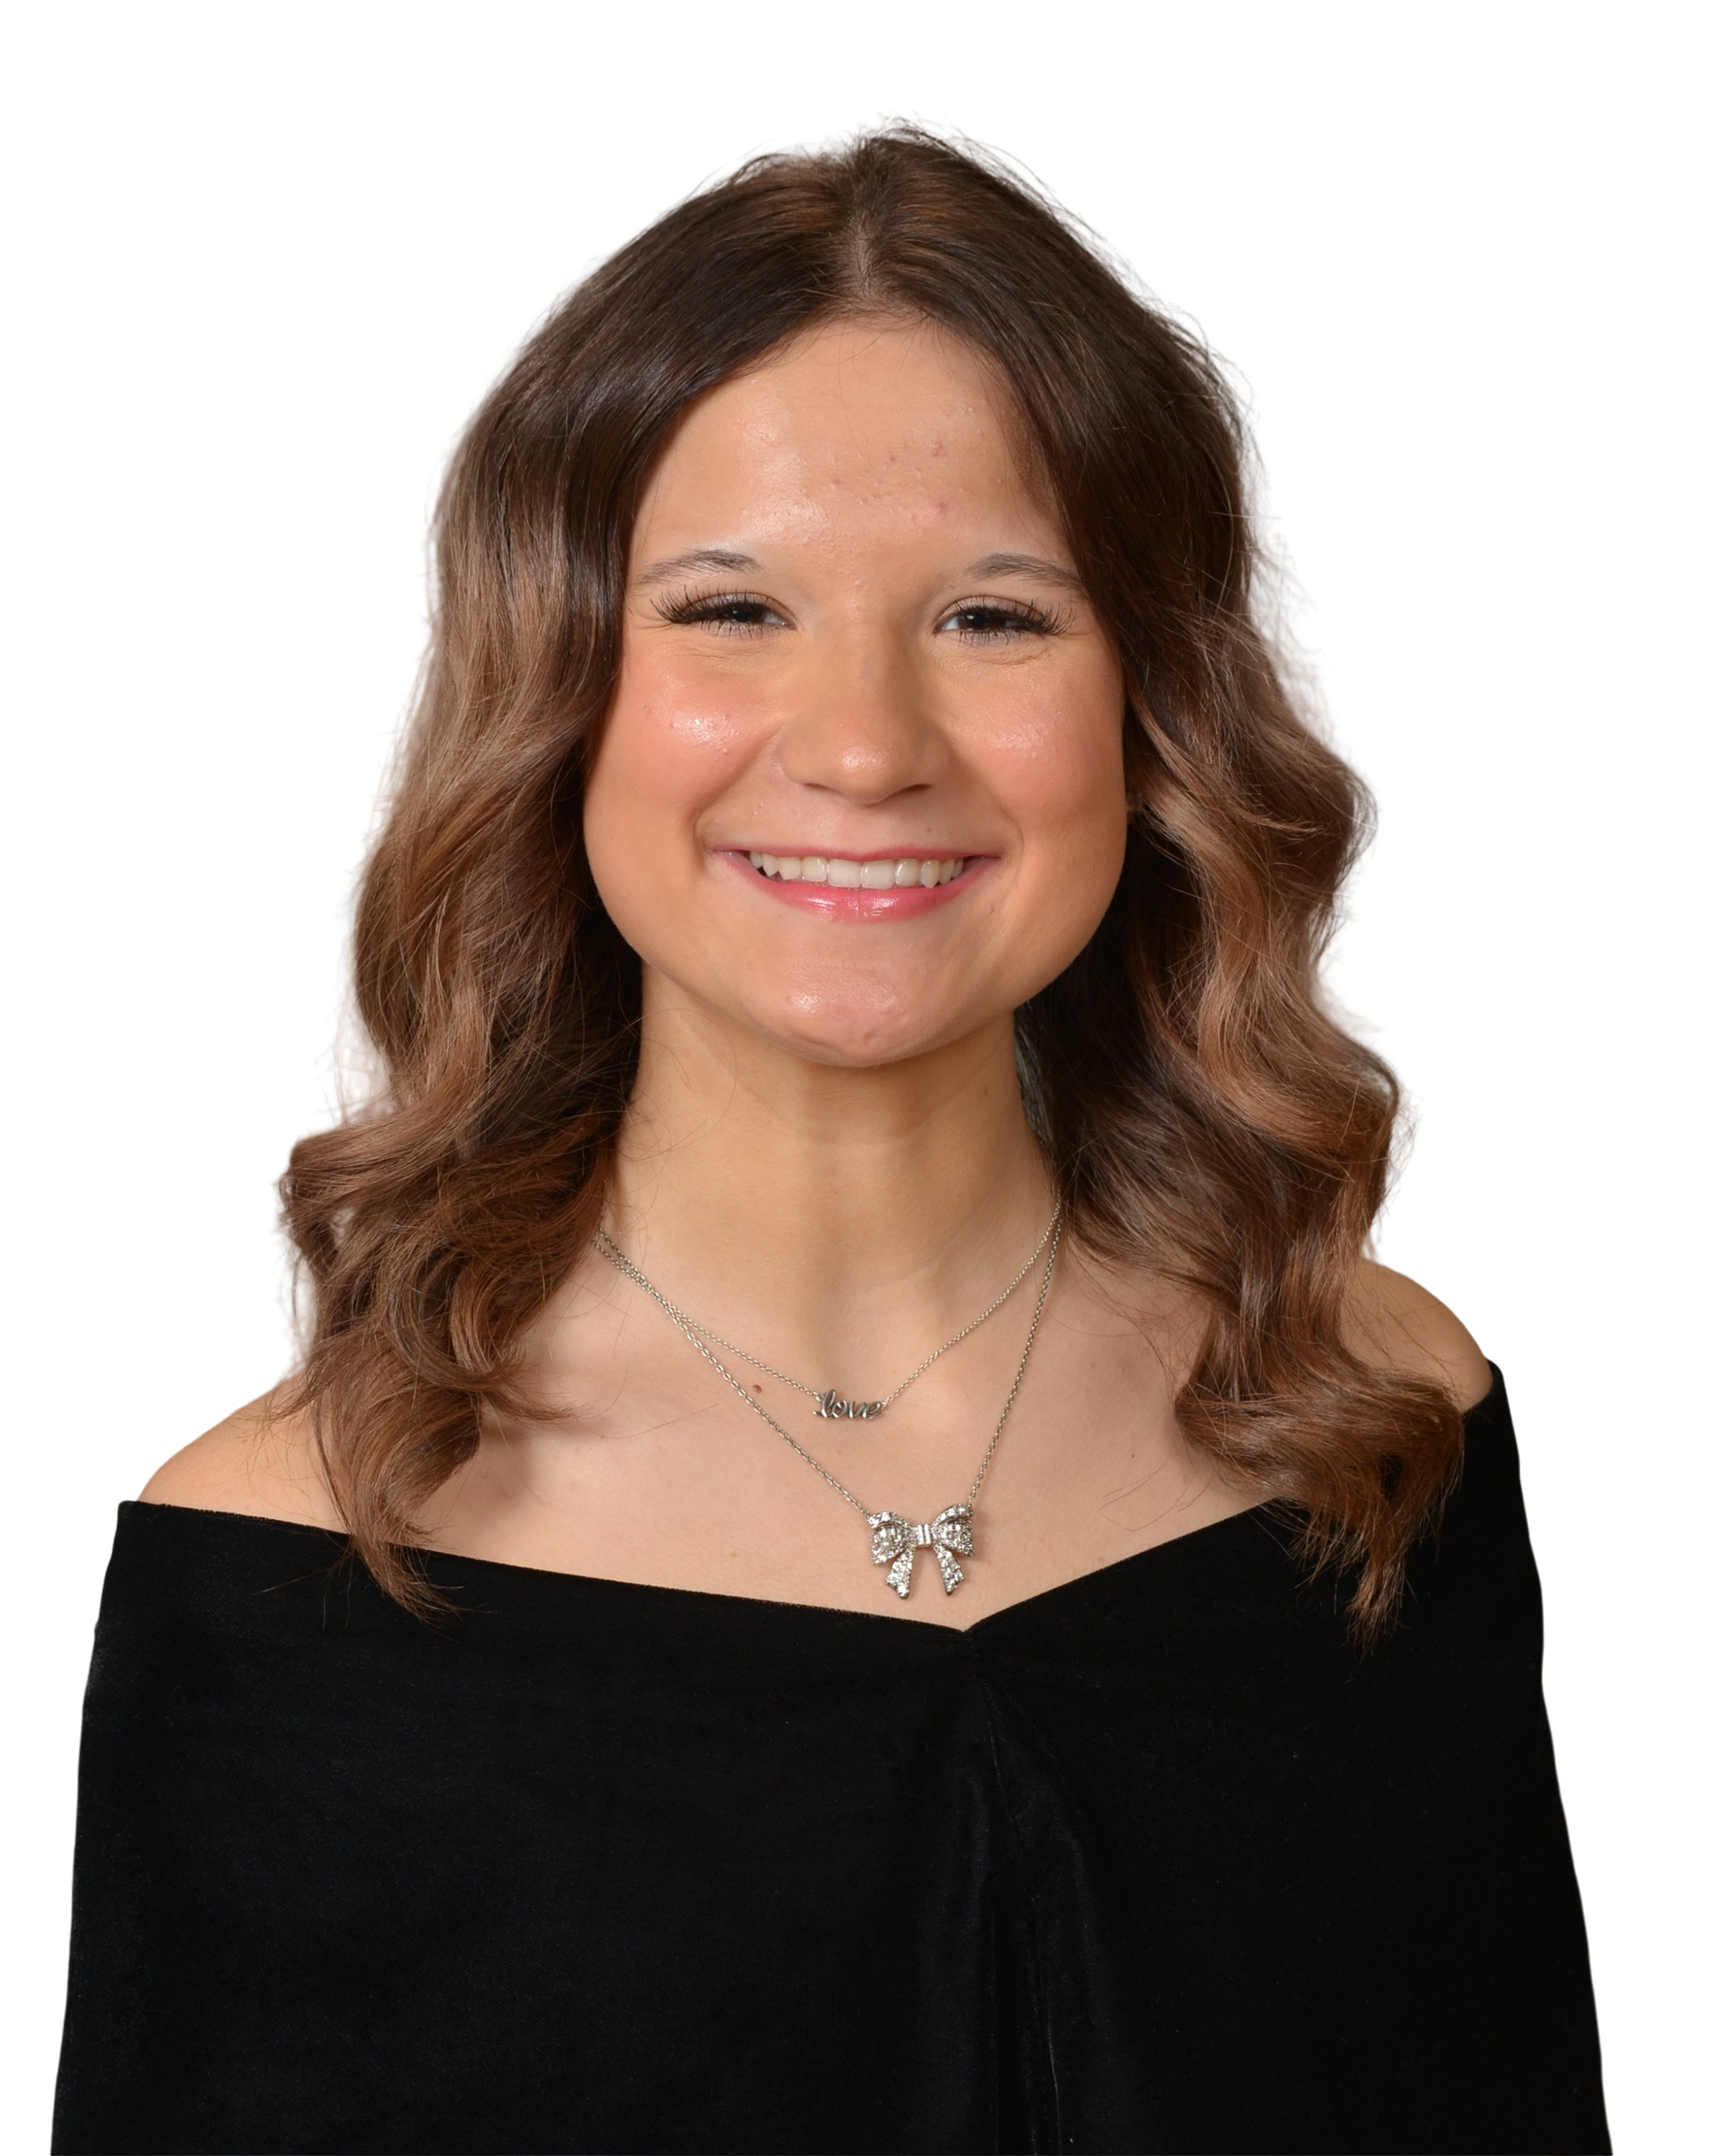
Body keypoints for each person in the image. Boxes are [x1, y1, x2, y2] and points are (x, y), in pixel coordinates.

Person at [49, 108, 1609, 2154]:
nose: (867, 749)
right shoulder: (289, 1574)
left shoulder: (1375, 1417)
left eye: (995, 617)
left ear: (1156, 714)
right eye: (730, 611)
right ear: (554, 693)